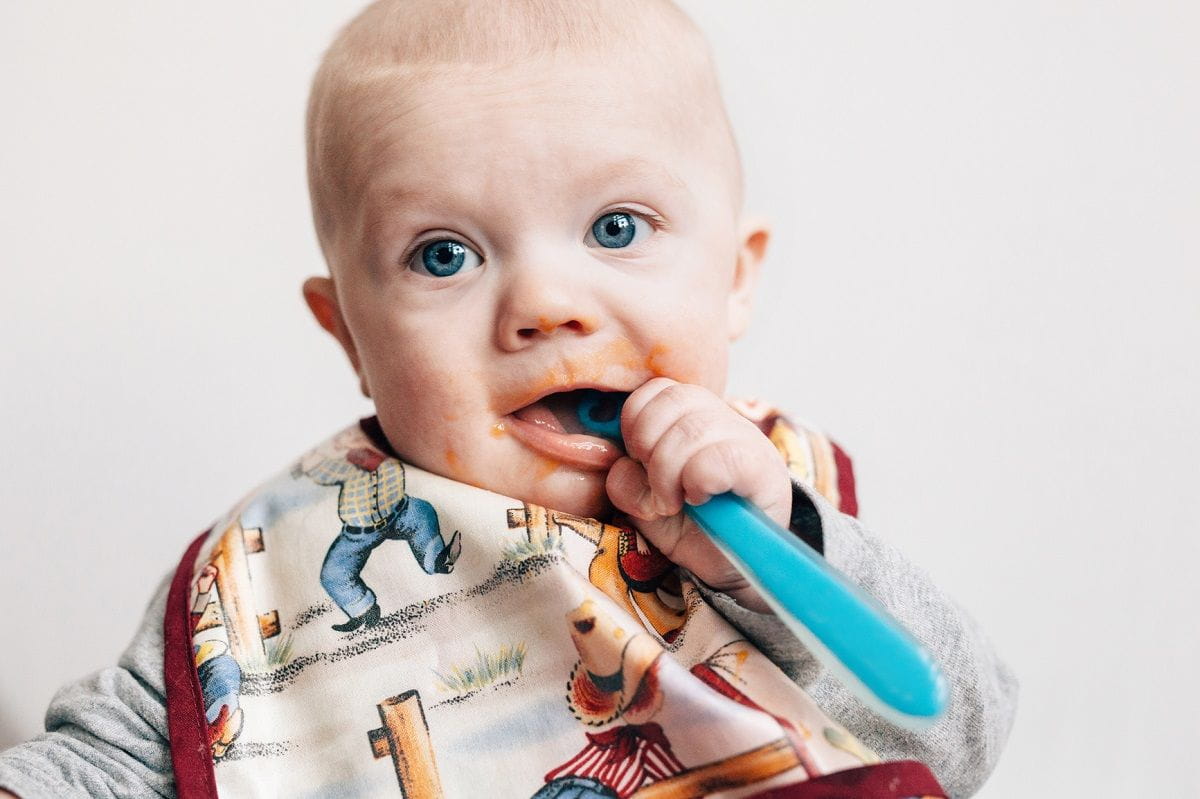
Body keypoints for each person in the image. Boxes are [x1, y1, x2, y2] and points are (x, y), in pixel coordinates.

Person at [0, 1, 1016, 797]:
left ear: (735, 276)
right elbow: (102, 768)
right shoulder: (272, 573)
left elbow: (961, 736)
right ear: (348, 334)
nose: (545, 305)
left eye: (617, 227)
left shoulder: (771, 514)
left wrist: (780, 555)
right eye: (445, 255)